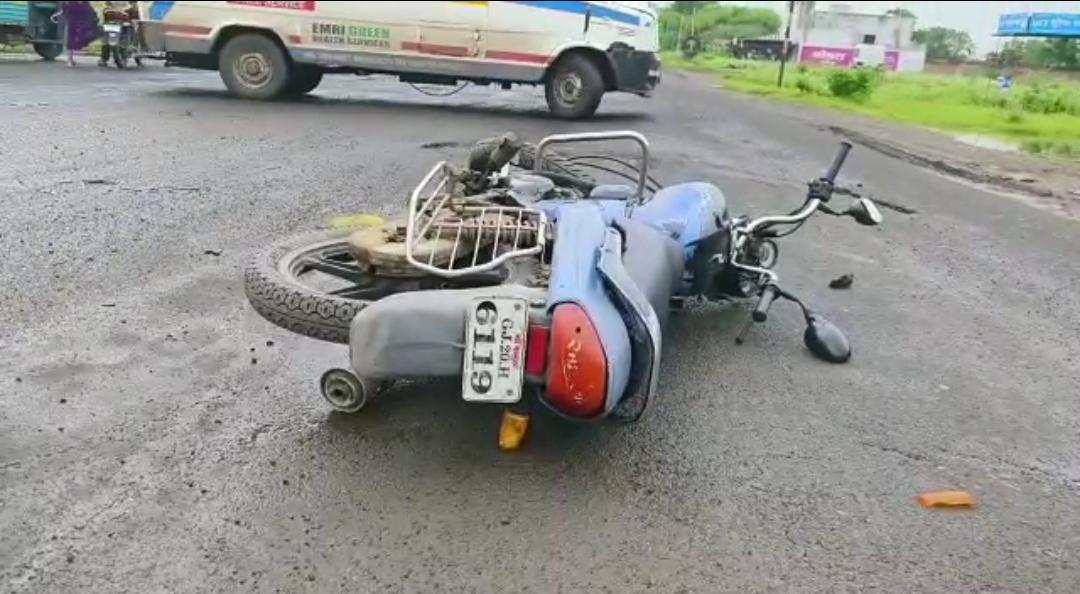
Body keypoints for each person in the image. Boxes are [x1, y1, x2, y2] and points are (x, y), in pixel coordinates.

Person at [59, 1, 98, 67]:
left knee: (73, 35)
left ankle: (70, 59)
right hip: (74, 14)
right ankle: (69, 59)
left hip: (79, 14)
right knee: (71, 35)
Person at [99, 1, 137, 67]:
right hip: (121, 19)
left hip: (110, 18)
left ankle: (103, 59)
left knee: (106, 40)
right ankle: (124, 58)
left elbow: (106, 7)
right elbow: (133, 10)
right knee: (125, 39)